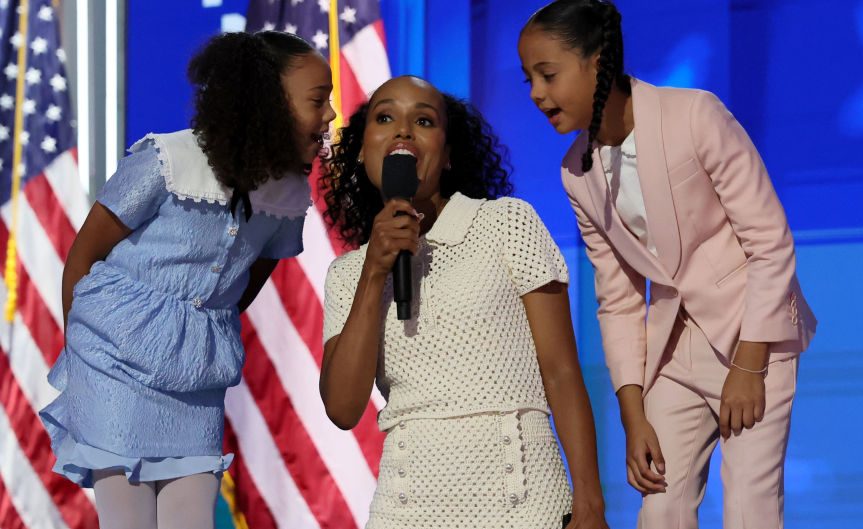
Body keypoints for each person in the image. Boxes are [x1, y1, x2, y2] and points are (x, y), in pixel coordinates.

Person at [518, 2, 816, 528]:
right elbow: (618, 298)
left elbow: (769, 241)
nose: (537, 94)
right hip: (671, 350)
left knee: (750, 508)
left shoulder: (694, 114)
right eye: (528, 80)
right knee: (660, 511)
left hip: (752, 335)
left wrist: (749, 366)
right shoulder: (575, 173)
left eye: (548, 74)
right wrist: (633, 416)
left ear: (597, 61)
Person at [39, 31, 335, 529]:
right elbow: (84, 255)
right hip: (112, 365)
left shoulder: (287, 197)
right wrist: (87, 358)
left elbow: (240, 289)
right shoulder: (166, 160)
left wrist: (193, 340)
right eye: (318, 99)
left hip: (195, 378)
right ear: (265, 102)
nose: (329, 114)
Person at [319, 75, 609, 529]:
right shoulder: (348, 275)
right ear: (361, 149)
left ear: (449, 153)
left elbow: (561, 370)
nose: (402, 130)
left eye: (424, 120)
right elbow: (341, 407)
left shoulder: (507, 224)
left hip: (524, 506)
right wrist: (375, 271)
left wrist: (591, 504)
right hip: (405, 512)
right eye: (385, 117)